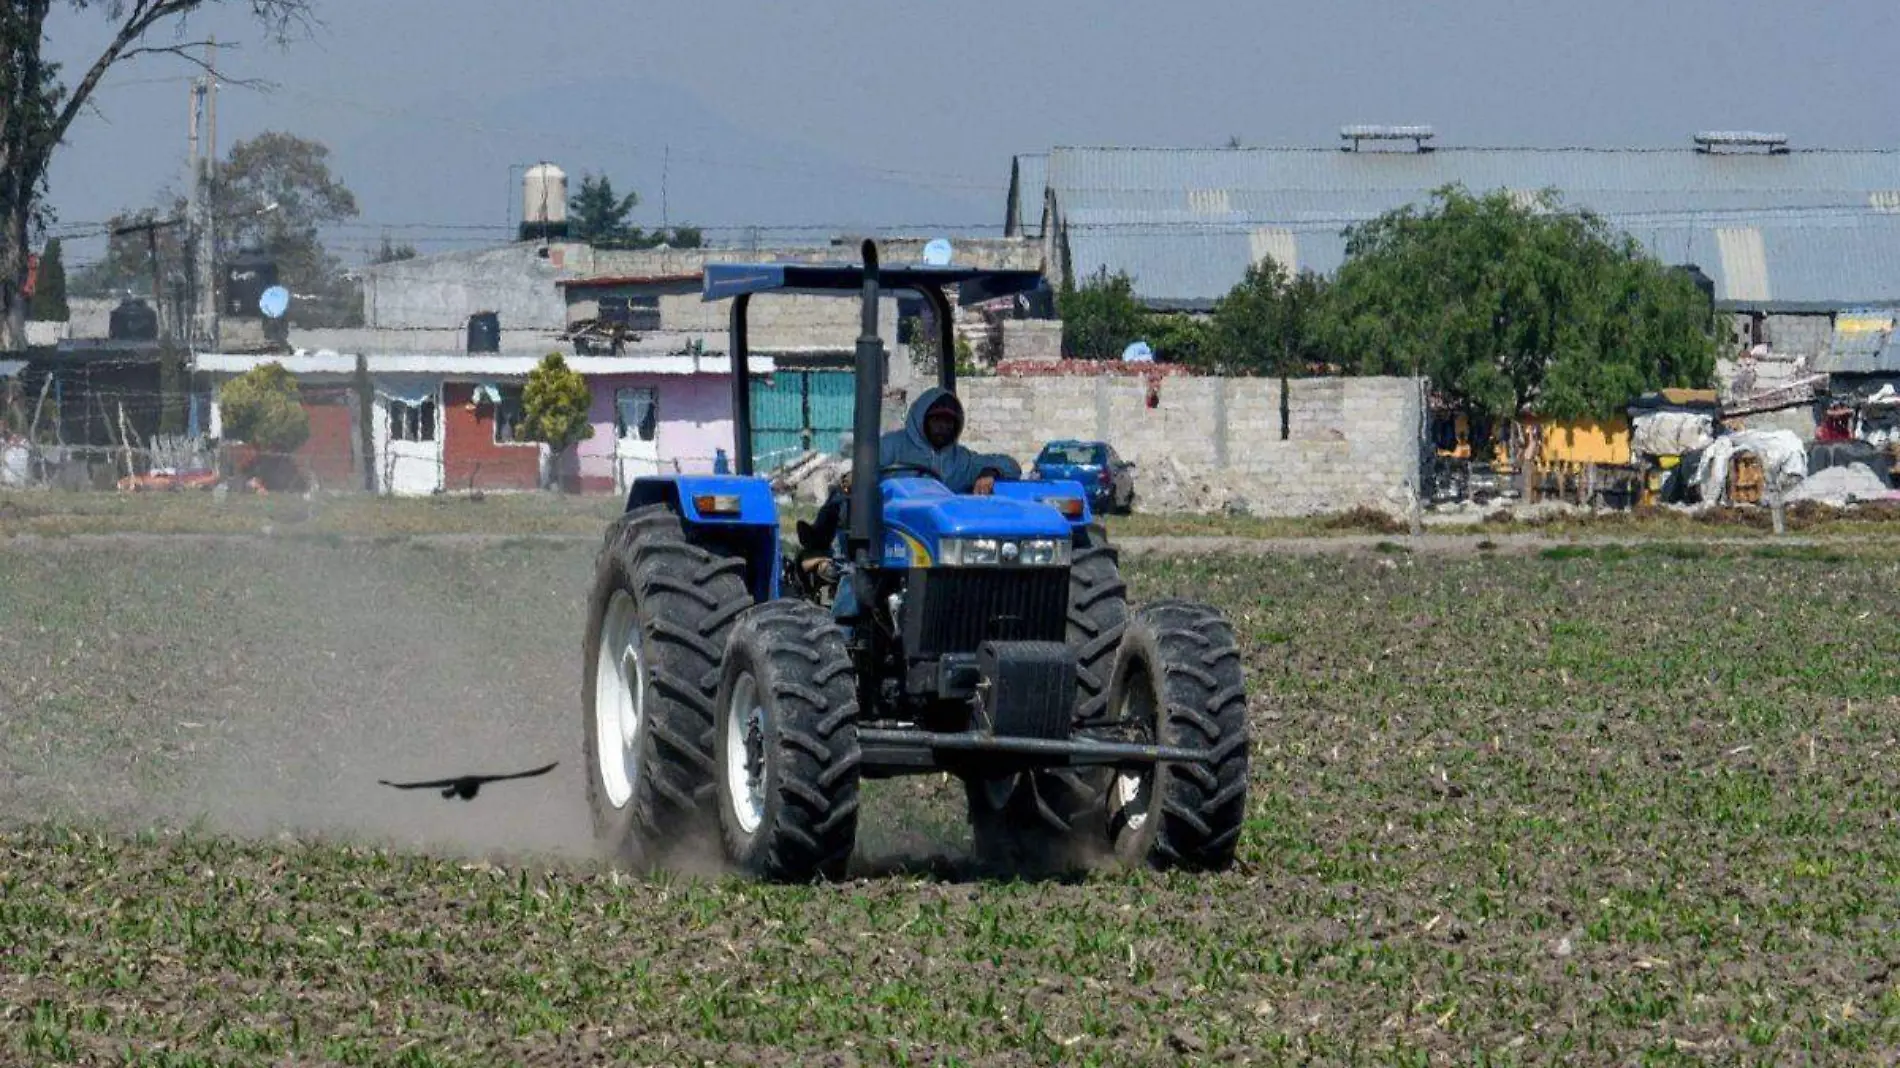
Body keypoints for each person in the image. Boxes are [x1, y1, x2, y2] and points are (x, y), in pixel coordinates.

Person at [877, 387, 1020, 494]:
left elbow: (1011, 466)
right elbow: (863, 471)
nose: (943, 427)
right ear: (922, 420)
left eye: (948, 422)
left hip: (941, 529)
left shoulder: (962, 460)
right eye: (936, 420)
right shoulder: (892, 445)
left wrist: (990, 472)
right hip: (896, 525)